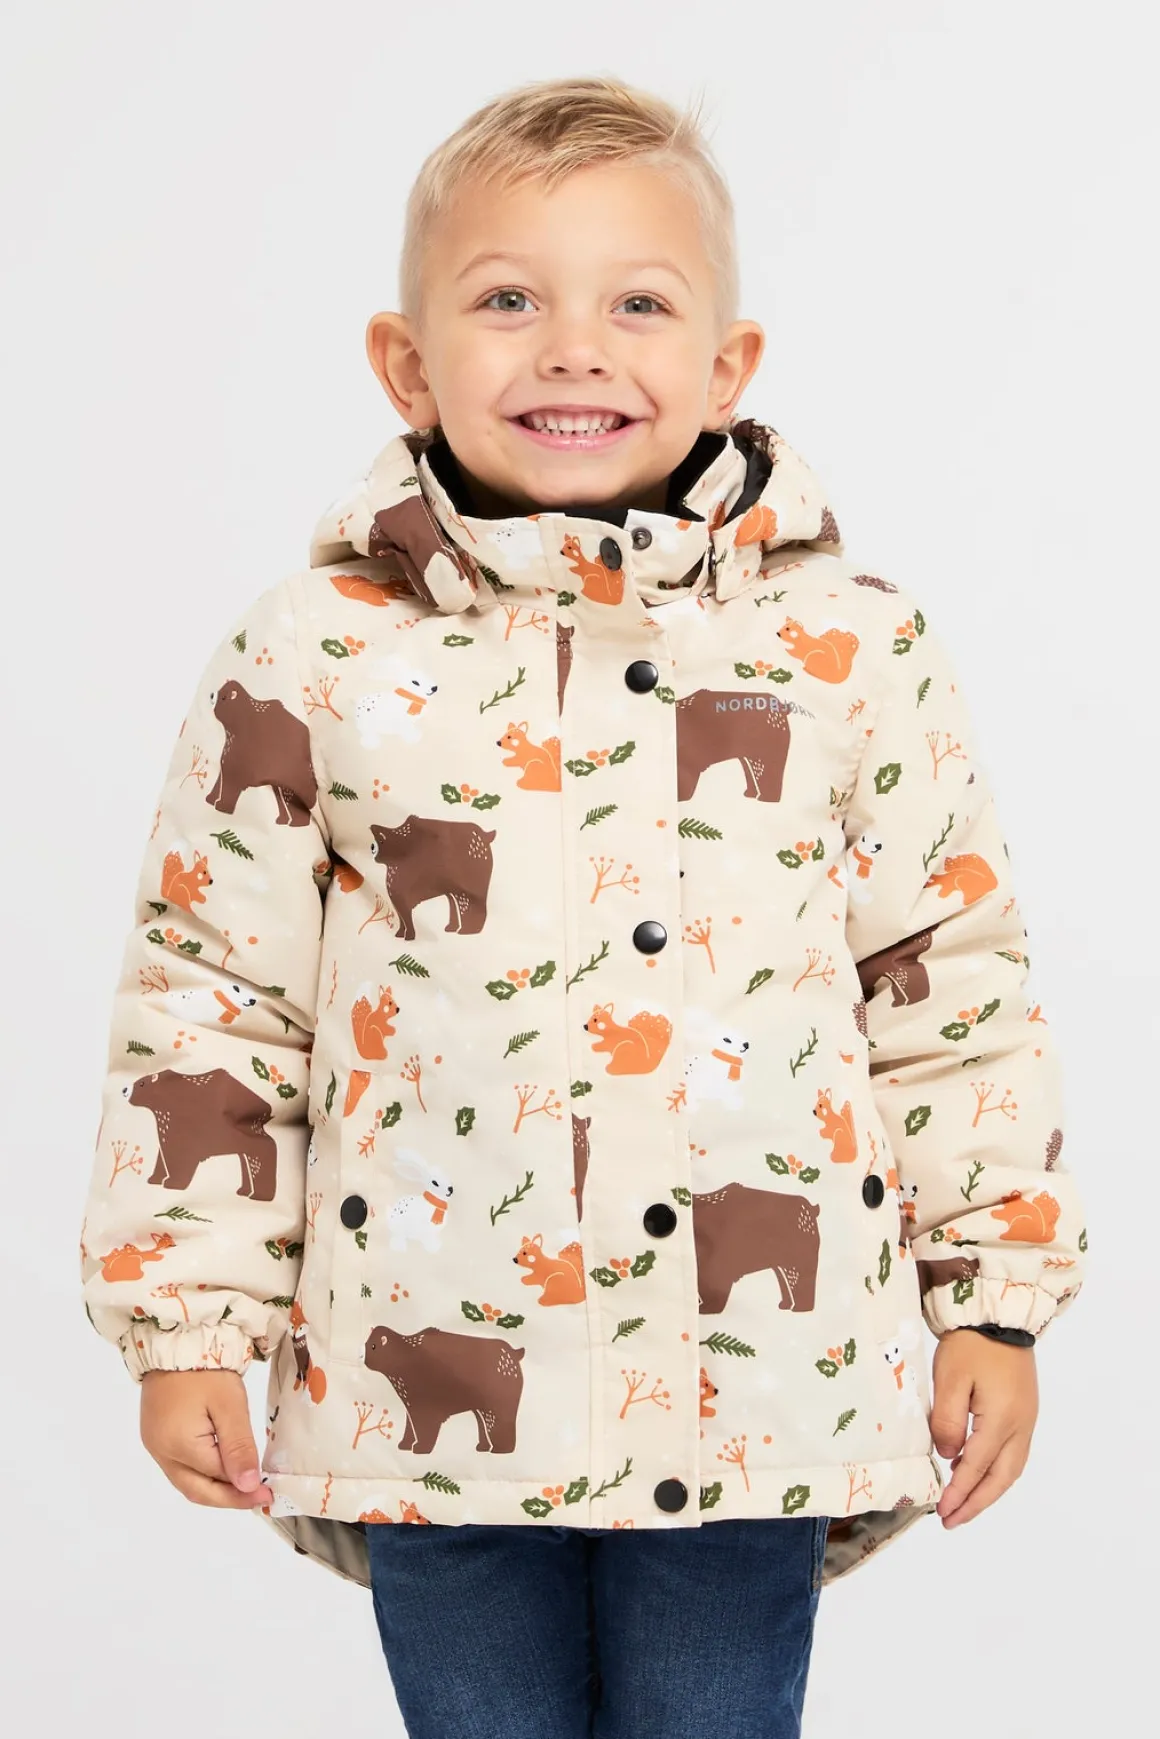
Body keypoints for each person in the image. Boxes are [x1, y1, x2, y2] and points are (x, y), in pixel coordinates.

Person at [78, 73, 1088, 1739]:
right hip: (430, 1381)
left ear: (728, 364)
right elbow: (210, 1001)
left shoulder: (853, 647)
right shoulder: (313, 656)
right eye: (506, 301)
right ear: (406, 363)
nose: (572, 349)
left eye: (638, 304)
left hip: (755, 1397)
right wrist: (185, 1319)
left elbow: (949, 977)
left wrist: (990, 1293)